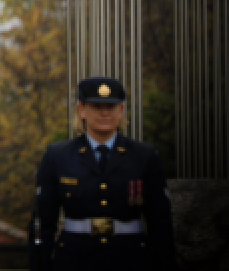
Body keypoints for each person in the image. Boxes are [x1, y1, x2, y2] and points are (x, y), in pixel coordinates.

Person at [28, 76, 175, 271]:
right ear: (82, 110)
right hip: (75, 258)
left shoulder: (144, 156)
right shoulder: (58, 155)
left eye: (111, 106)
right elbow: (43, 221)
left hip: (130, 258)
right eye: (97, 106)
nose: (105, 112)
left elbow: (160, 222)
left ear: (121, 110)